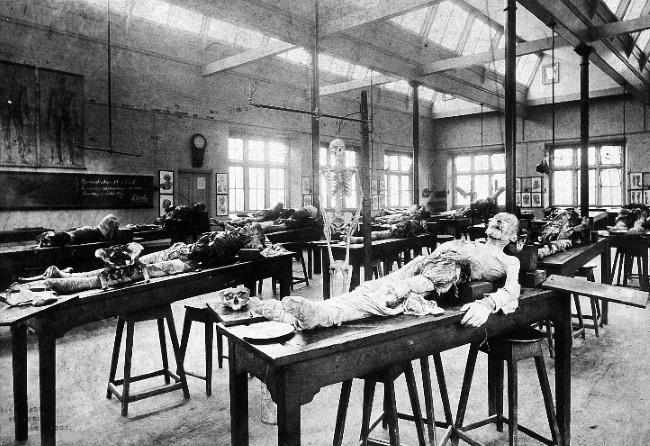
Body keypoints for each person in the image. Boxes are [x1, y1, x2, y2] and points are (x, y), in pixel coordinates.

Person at [251, 212, 521, 329]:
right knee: (370, 287)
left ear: (513, 237)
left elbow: (512, 290)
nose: (499, 220)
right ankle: (301, 314)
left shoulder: (508, 260)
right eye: (496, 218)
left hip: (443, 277)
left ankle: (322, 315)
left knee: (385, 297)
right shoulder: (468, 243)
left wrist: (487, 305)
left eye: (506, 221)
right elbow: (430, 259)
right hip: (423, 266)